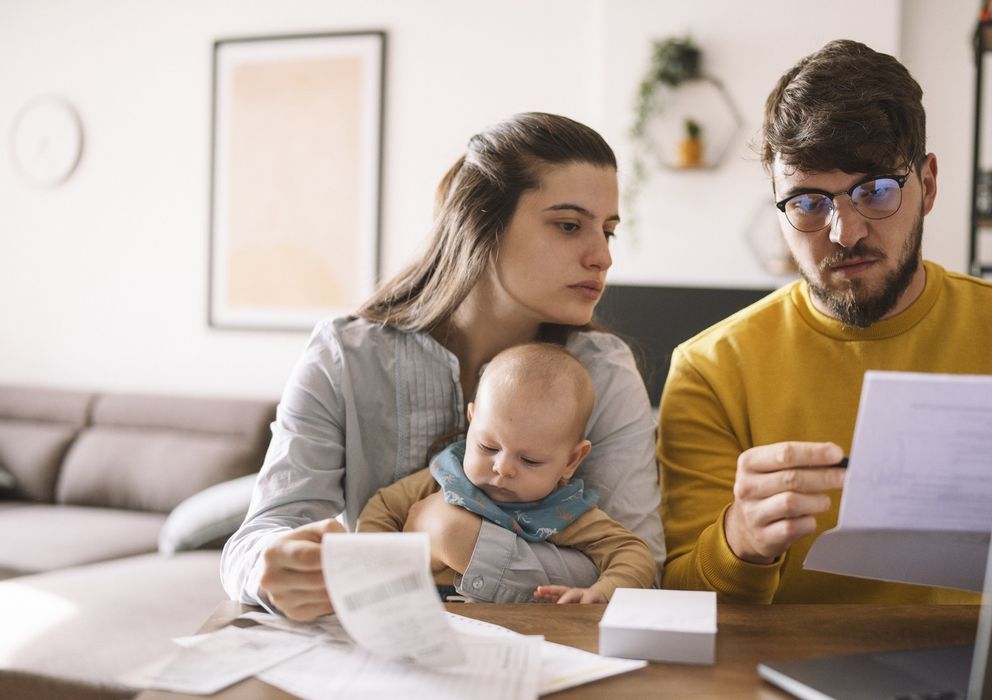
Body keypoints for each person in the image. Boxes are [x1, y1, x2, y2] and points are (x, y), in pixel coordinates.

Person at [657, 40, 992, 605]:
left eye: (875, 191)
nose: (845, 233)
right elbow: (678, 604)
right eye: (808, 203)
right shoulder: (709, 371)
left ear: (929, 186)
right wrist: (739, 542)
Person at [221, 112, 664, 621]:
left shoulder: (604, 373)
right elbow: (255, 540)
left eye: (608, 231)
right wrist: (269, 567)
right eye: (569, 226)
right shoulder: (344, 357)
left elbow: (642, 568)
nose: (602, 257)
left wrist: (457, 539)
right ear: (481, 224)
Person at [357, 343, 657, 604]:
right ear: (472, 422)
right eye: (488, 447)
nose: (502, 467)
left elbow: (633, 554)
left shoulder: (564, 511)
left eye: (530, 460)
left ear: (571, 460)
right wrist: (373, 571)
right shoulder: (446, 477)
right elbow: (383, 507)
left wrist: (603, 592)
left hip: (515, 628)